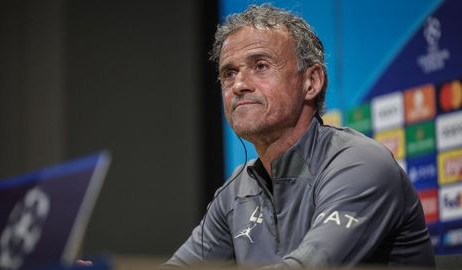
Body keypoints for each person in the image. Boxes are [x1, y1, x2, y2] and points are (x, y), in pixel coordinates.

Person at [164, 4, 435, 269]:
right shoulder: (235, 190)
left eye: (260, 66)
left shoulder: (360, 163)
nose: (239, 85)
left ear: (311, 82)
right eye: (229, 73)